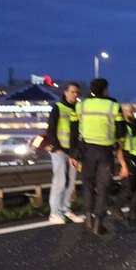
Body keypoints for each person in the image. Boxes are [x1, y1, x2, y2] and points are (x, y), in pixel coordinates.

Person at [75, 78, 128, 235]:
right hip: (105, 151)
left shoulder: (81, 105)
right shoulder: (113, 106)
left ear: (92, 90)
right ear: (105, 90)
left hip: (87, 151)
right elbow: (121, 131)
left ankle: (88, 220)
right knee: (103, 187)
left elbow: (74, 126)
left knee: (87, 185)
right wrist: (119, 144)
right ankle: (99, 223)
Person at [45, 82, 85, 225]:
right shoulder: (58, 107)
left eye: (77, 92)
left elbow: (78, 133)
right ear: (65, 92)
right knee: (60, 182)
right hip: (59, 151)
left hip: (73, 152)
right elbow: (51, 130)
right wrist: (57, 148)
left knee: (70, 184)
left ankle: (65, 210)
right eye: (72, 92)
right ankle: (54, 213)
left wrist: (77, 152)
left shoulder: (78, 109)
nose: (75, 95)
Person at [112, 104, 136, 222]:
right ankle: (116, 207)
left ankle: (133, 213)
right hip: (129, 158)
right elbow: (119, 148)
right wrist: (123, 165)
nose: (132, 114)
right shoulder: (122, 127)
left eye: (133, 111)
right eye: (130, 112)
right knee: (128, 187)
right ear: (123, 112)